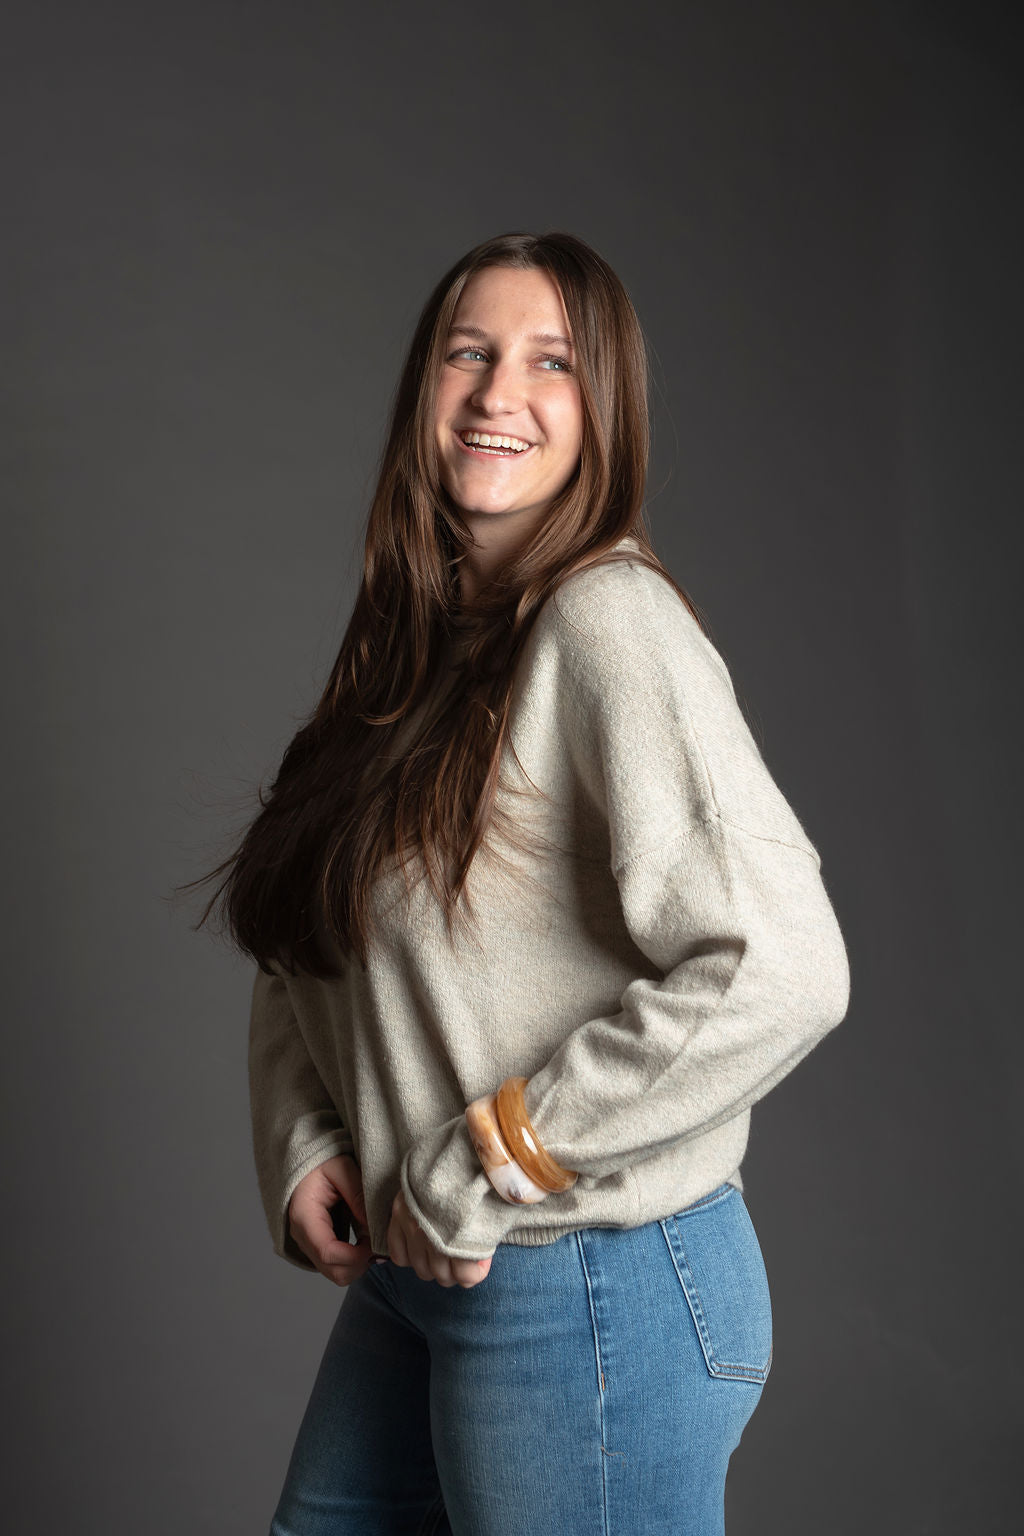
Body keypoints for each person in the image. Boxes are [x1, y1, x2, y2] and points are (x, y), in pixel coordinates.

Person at [195, 230, 851, 1535]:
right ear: (422, 390)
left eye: (551, 361)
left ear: (607, 411)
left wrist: (496, 1157)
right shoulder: (412, 648)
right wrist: (307, 1135)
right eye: (468, 353)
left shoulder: (609, 624)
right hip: (425, 1260)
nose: (499, 391)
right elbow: (307, 922)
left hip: (593, 1282)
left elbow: (785, 967)